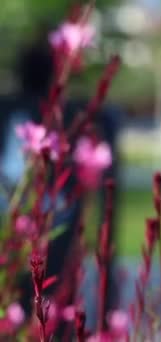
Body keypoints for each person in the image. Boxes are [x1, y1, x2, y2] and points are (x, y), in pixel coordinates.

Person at [0, 33, 122, 328]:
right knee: (53, 311)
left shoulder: (10, 110)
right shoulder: (78, 114)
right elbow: (108, 197)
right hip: (58, 232)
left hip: (15, 237)